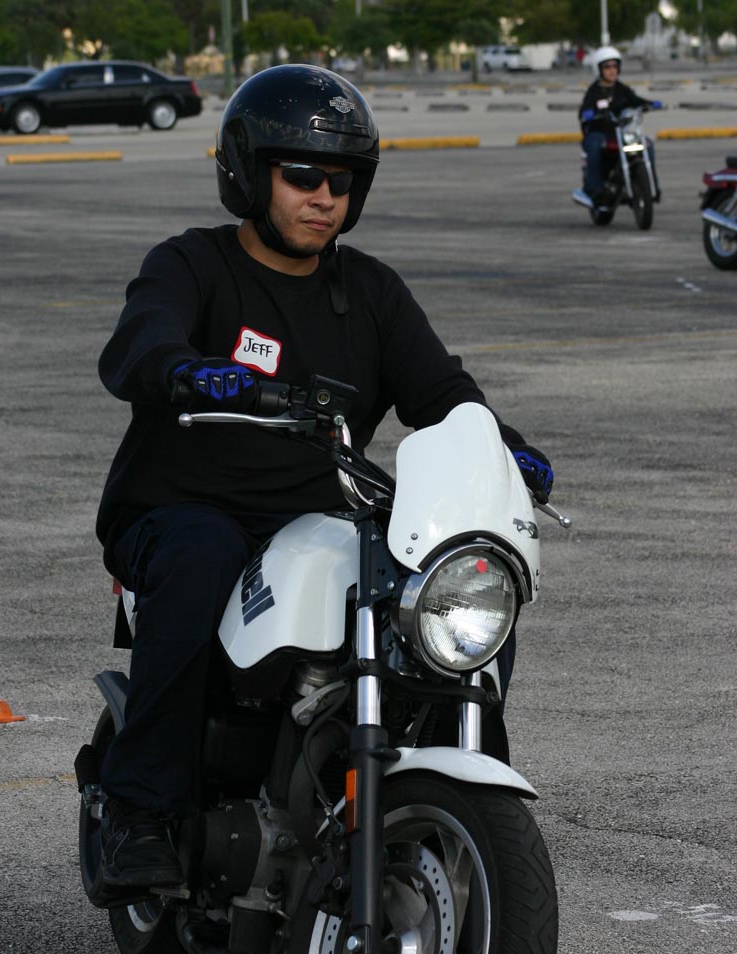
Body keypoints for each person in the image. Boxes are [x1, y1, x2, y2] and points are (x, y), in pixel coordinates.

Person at [91, 64, 555, 899]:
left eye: (341, 182)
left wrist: (503, 445)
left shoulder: (369, 291)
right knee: (200, 555)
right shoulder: (192, 264)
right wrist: (185, 371)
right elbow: (139, 341)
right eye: (302, 175)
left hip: (316, 517)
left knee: (454, 587)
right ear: (248, 173)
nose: (324, 197)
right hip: (182, 509)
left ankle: (460, 801)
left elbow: (443, 392)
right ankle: (141, 810)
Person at [578, 46, 662, 204]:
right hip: (600, 133)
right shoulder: (594, 91)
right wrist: (588, 113)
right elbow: (585, 109)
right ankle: (594, 190)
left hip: (622, 134)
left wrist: (651, 104)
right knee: (594, 145)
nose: (612, 70)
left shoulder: (621, 89)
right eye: (607, 67)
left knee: (647, 144)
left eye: (615, 66)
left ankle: (652, 188)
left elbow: (635, 101)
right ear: (598, 69)